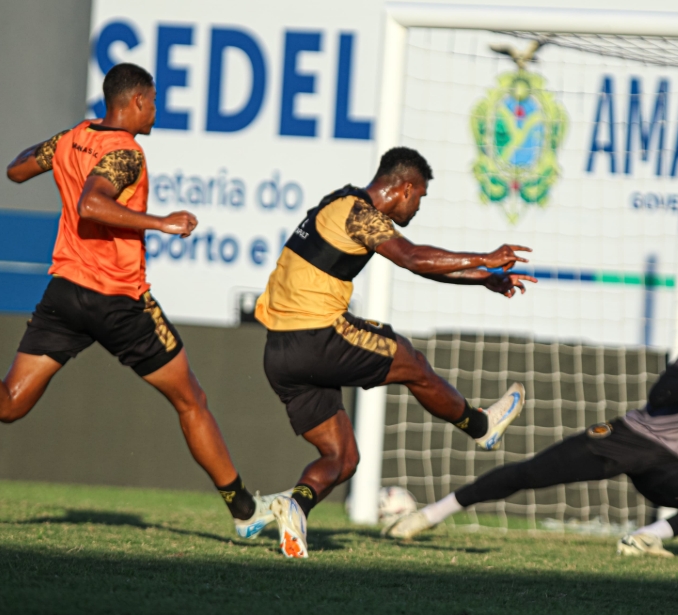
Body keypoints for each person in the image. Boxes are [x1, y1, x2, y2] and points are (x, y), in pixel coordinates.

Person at [2, 63, 280, 539]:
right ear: (133, 102)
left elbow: (17, 168)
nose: (156, 109)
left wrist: (58, 150)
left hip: (66, 293)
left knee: (9, 404)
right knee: (191, 400)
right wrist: (161, 222)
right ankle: (244, 512)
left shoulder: (74, 136)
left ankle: (245, 510)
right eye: (152, 101)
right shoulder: (126, 152)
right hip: (119, 302)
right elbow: (92, 203)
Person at [384, 291, 678, 556]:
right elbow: (659, 398)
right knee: (531, 472)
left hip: (675, 470)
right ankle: (427, 516)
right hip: (629, 437)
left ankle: (647, 539)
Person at [255, 147, 536, 558]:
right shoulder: (359, 211)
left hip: (278, 354)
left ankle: (296, 504)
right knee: (410, 360)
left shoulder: (339, 204)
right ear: (405, 188)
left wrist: (483, 277)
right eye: (420, 197)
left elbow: (420, 261)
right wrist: (485, 257)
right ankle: (479, 426)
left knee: (342, 456)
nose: (419, 206)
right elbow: (414, 258)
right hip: (314, 335)